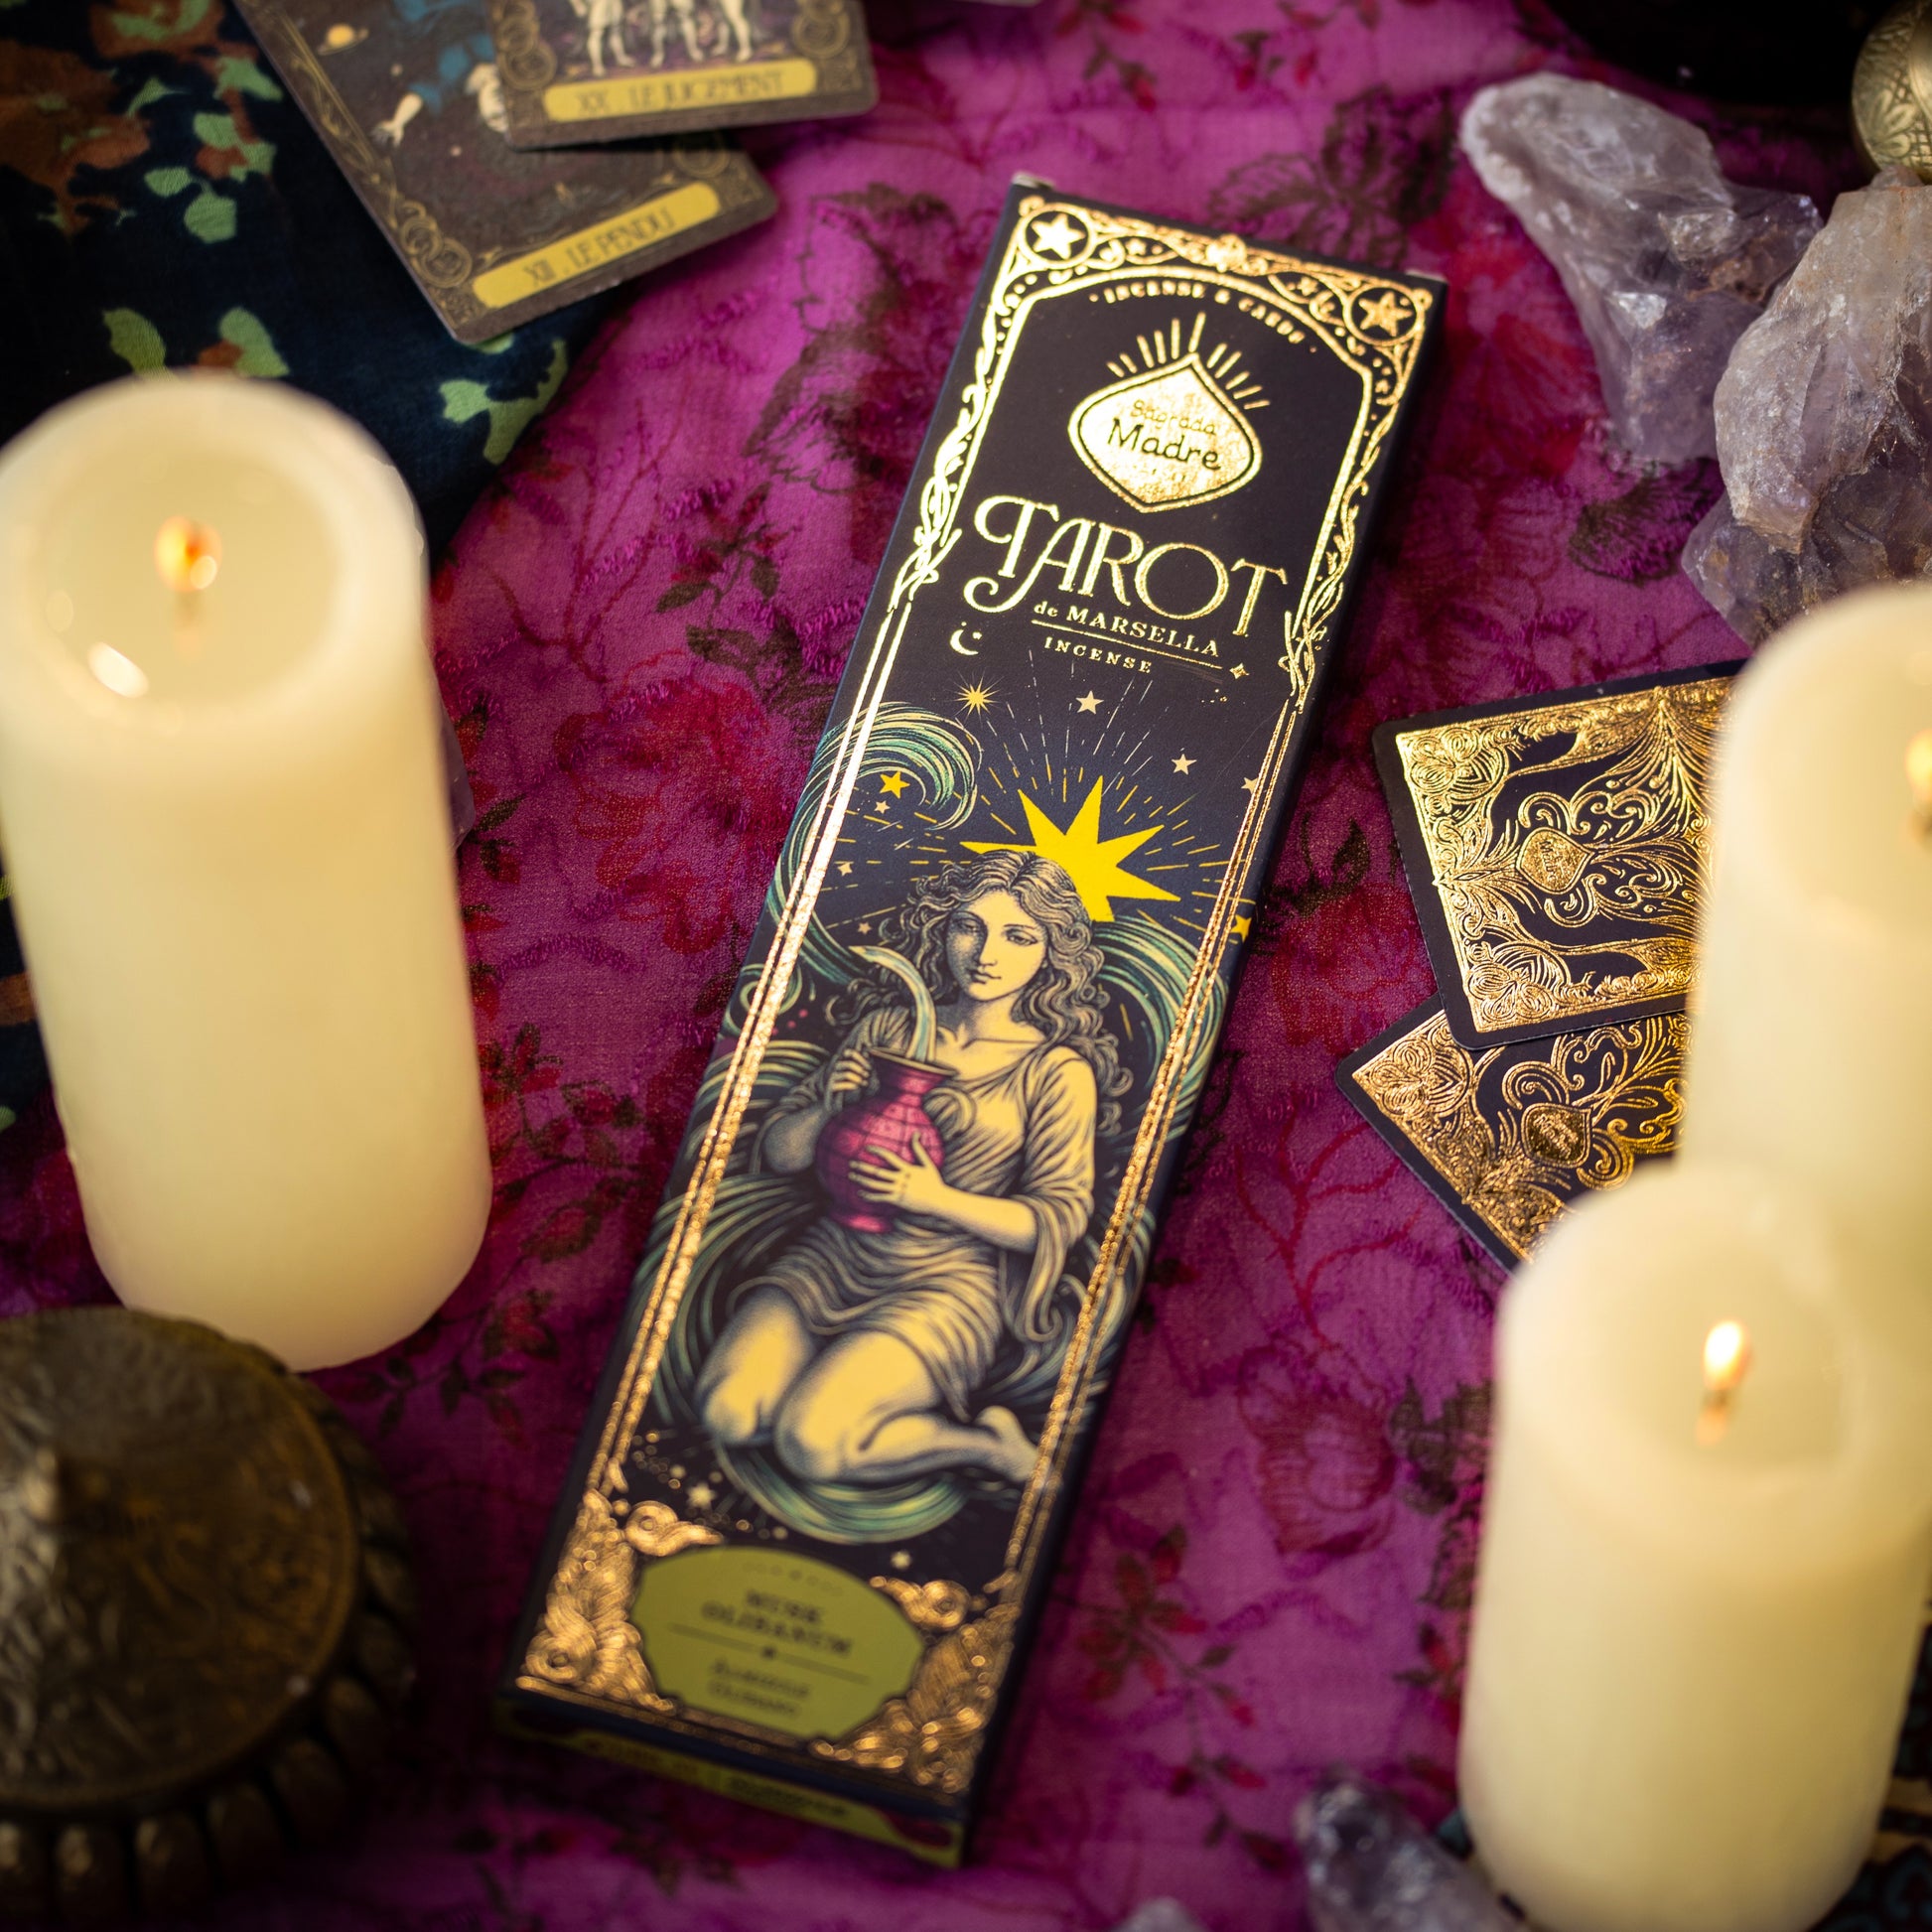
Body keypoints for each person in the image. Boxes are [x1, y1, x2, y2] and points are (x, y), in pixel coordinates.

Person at [695, 851, 1128, 1488]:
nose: (986, 953)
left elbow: (1055, 1220)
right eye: (969, 926)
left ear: (1050, 953)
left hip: (946, 1283)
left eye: (1018, 936)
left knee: (812, 1444)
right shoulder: (888, 1028)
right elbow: (780, 1154)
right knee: (726, 1412)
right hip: (835, 1254)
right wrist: (830, 1107)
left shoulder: (1057, 1072)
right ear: (942, 929)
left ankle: (983, 1444)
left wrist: (932, 1197)